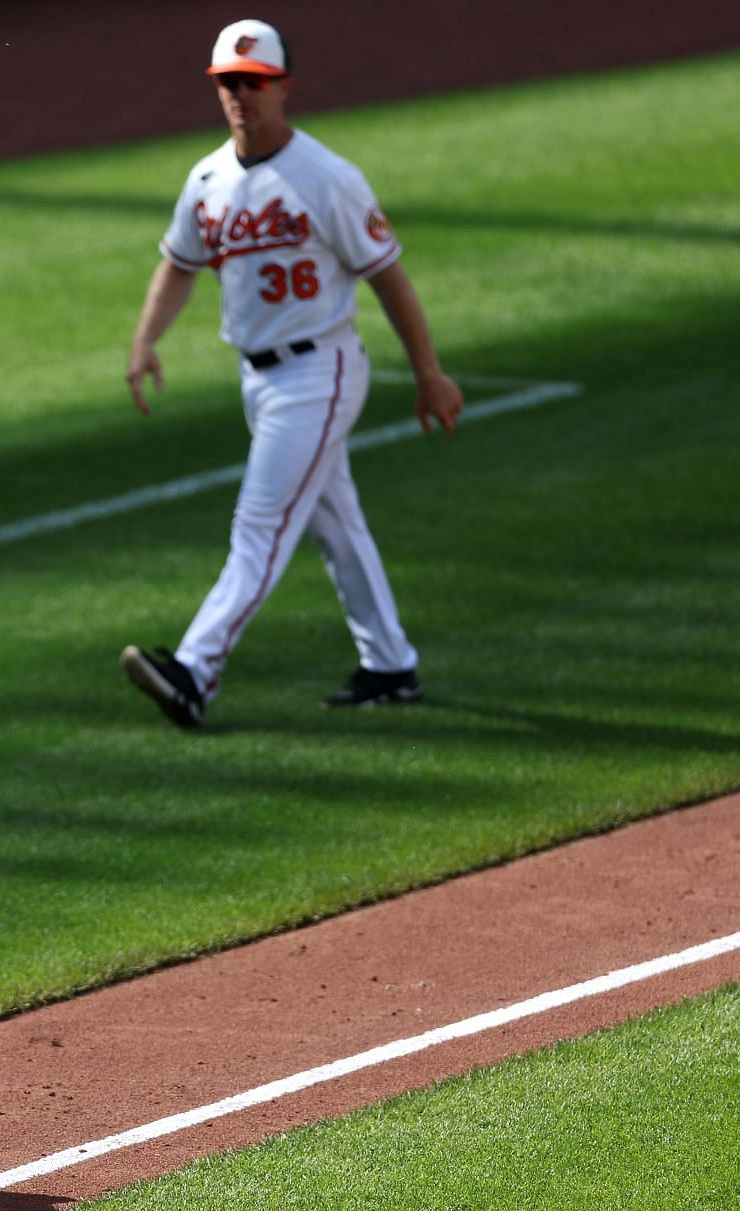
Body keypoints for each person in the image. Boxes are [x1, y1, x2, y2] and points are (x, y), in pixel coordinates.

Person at [120, 18, 463, 727]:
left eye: (254, 82)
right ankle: (391, 662)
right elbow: (178, 265)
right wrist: (145, 341)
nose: (241, 95)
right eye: (229, 84)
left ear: (283, 87)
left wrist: (428, 371)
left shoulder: (328, 177)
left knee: (261, 524)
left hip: (321, 371)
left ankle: (194, 669)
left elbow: (389, 278)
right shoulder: (208, 178)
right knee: (337, 523)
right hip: (260, 379)